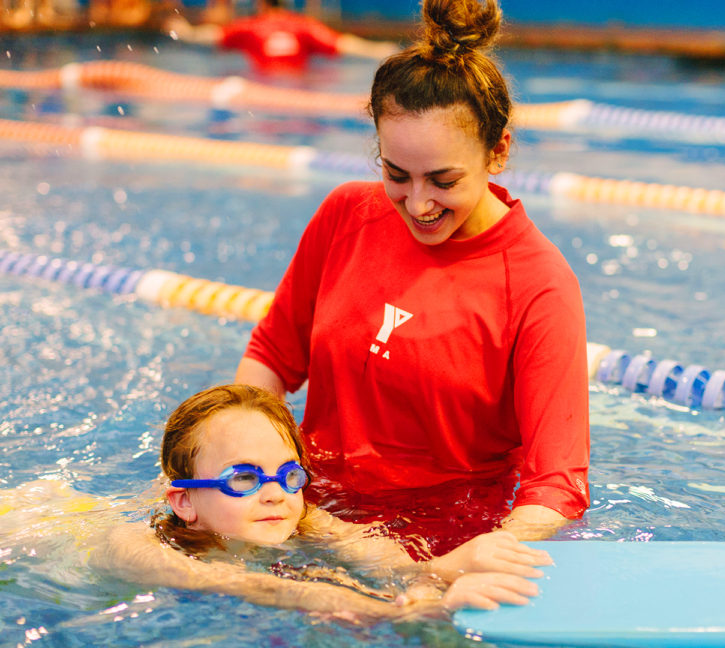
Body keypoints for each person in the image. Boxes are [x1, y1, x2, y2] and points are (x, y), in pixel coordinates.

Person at [235, 0, 590, 554]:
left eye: (443, 181)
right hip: (310, 520)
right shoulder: (347, 212)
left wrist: (478, 558)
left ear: (498, 152)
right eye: (396, 175)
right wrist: (240, 467)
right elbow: (273, 356)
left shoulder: (538, 284)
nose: (418, 203)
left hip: (434, 553)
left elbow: (557, 485)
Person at [96, 383, 551, 620]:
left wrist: (440, 573)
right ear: (184, 502)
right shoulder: (137, 549)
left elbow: (386, 560)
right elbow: (269, 590)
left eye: (288, 475)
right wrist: (422, 611)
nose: (275, 493)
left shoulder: (301, 518)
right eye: (244, 478)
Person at [164, 0, 400, 74]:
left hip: (263, 86)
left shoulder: (250, 26)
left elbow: (208, 36)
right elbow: (345, 44)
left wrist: (184, 31)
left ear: (261, 4)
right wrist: (379, 50)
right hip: (299, 84)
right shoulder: (303, 25)